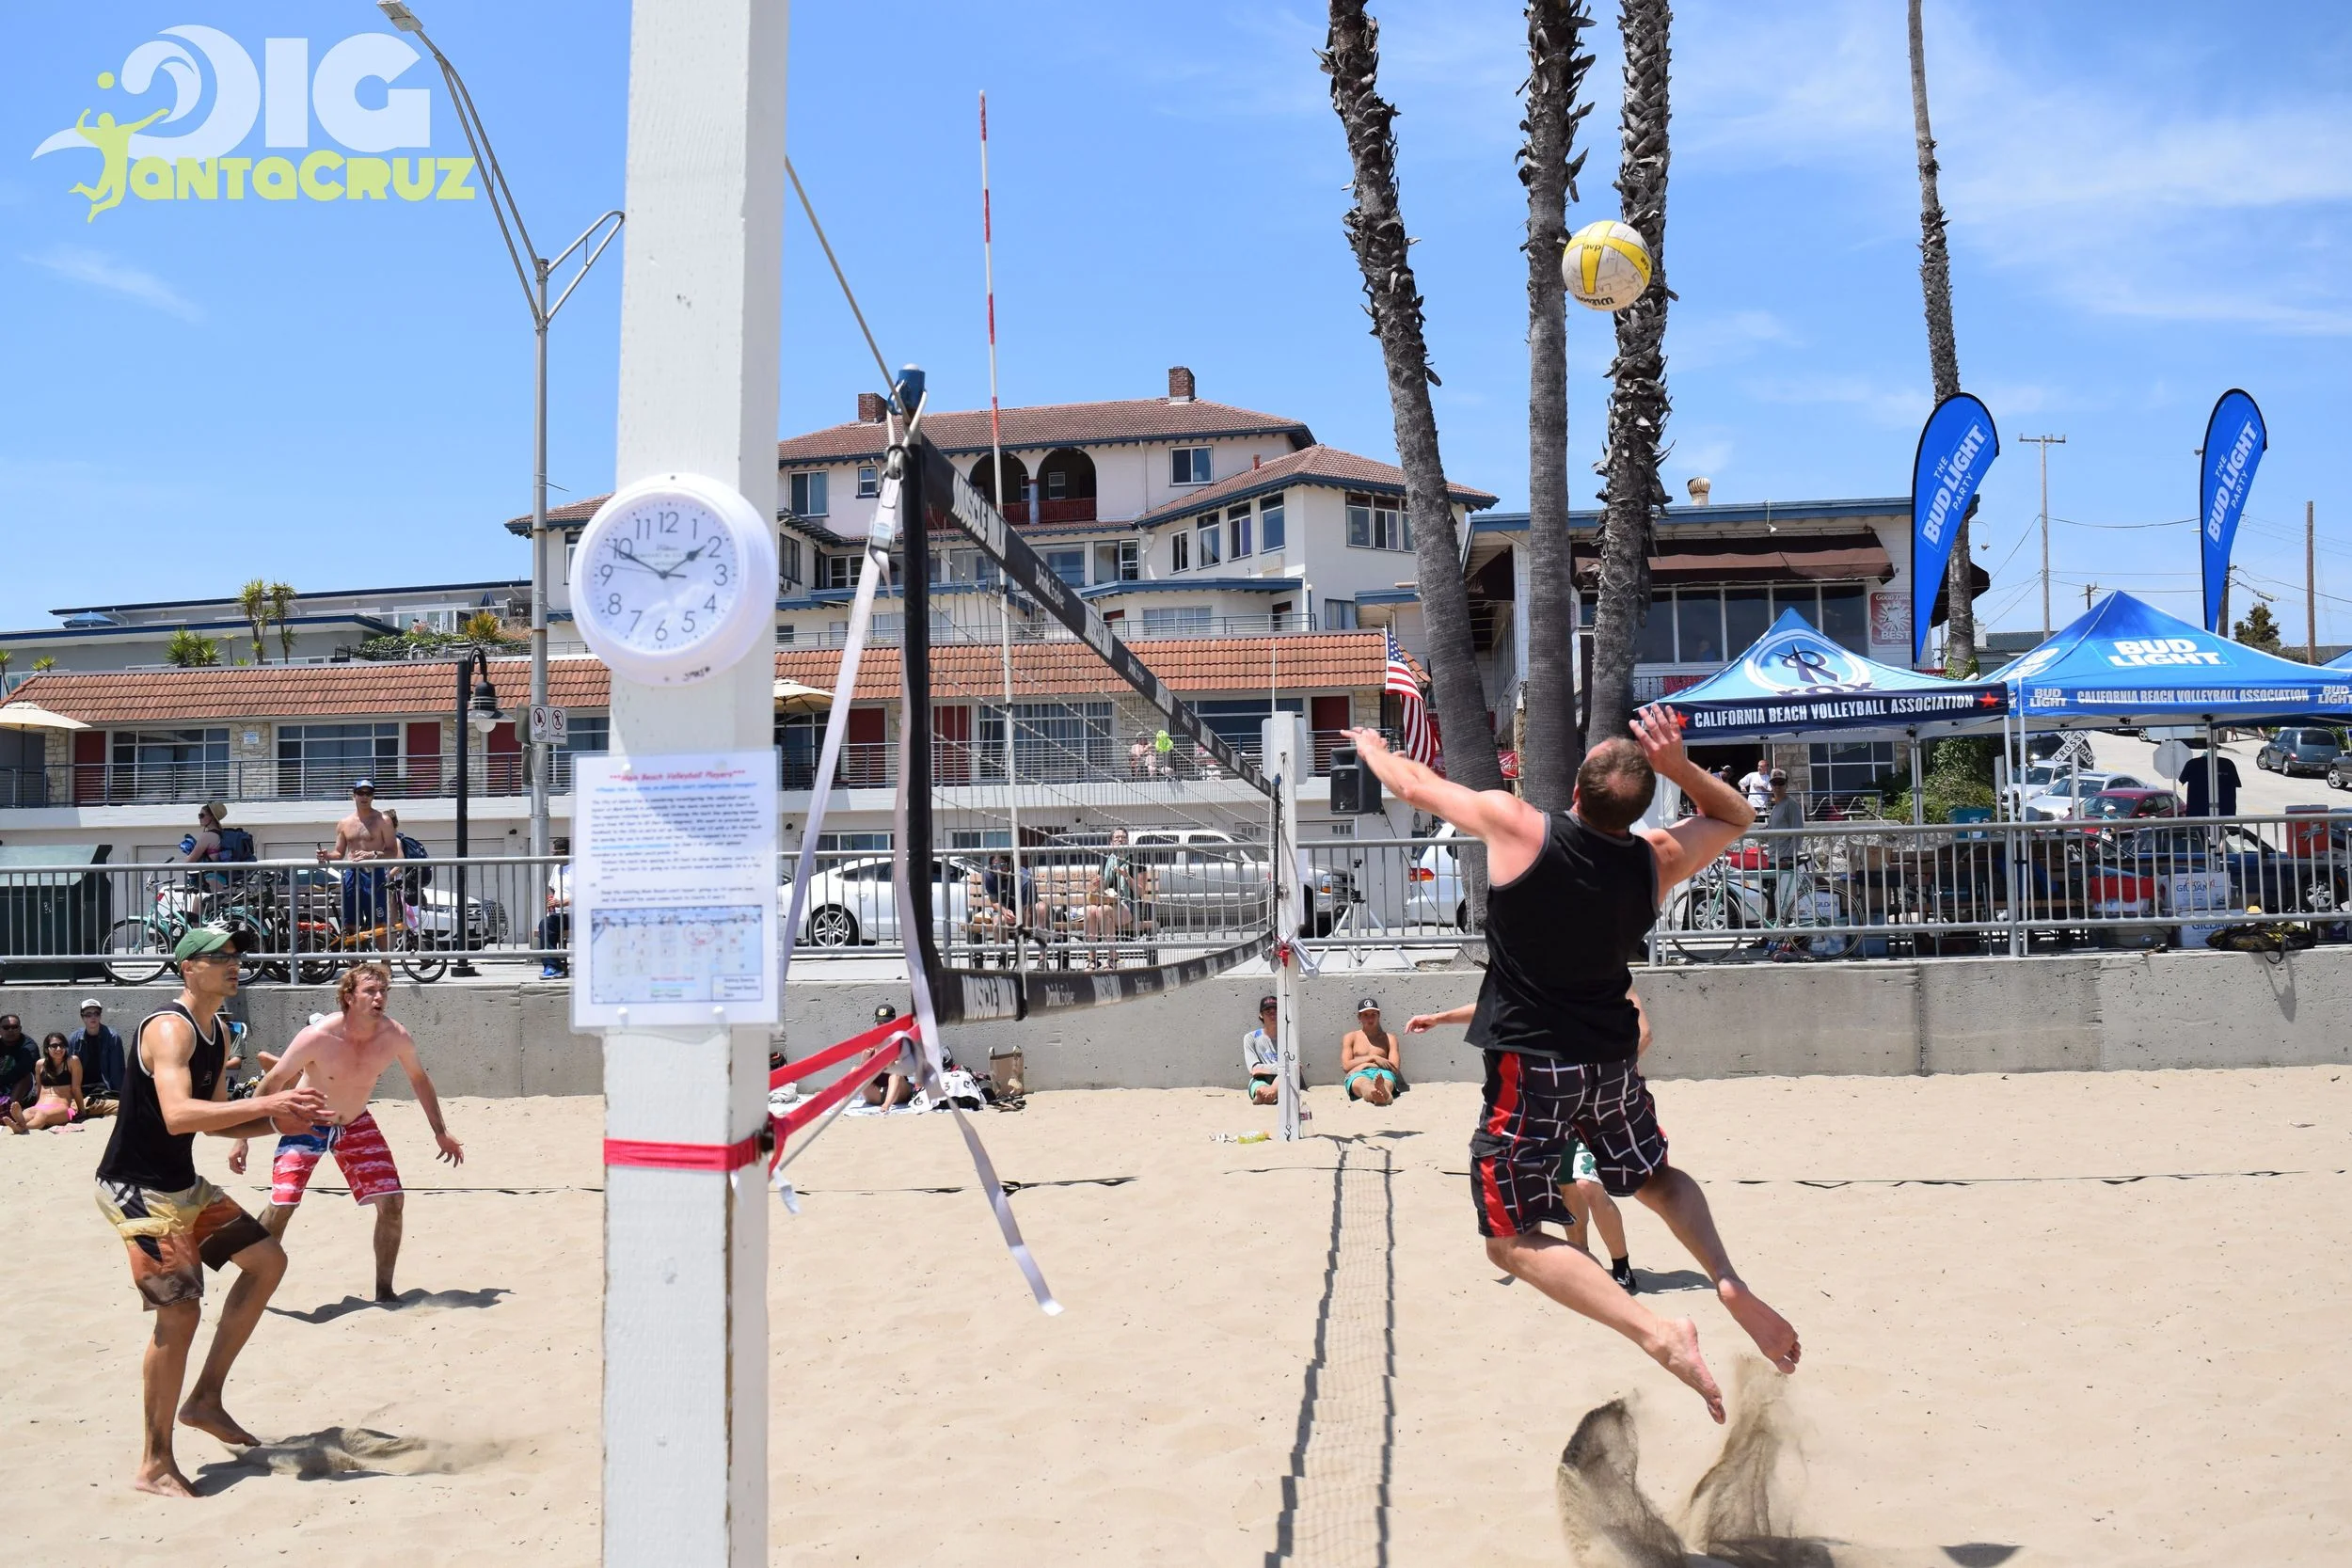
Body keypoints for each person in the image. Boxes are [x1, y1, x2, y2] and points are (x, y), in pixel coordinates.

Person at [1345, 711, 1800, 1425]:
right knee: (1653, 1175)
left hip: (1536, 1065)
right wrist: (1680, 766)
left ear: (1580, 787)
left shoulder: (1518, 824)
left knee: (1508, 1238)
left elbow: (1413, 781)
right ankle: (1727, 1277)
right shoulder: (1656, 855)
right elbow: (1736, 815)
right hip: (1612, 1056)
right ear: (1638, 801)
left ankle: (1657, 1330)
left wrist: (1372, 747)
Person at [93, 924, 329, 1497]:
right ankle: (153, 1463)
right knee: (180, 1314)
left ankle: (204, 1400)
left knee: (267, 1261)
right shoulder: (169, 1029)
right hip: (136, 1189)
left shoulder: (218, 1030)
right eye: (219, 956)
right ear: (187, 968)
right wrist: (271, 1099)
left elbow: (215, 1117)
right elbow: (177, 1114)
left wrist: (276, 1122)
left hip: (180, 1183)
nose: (234, 963)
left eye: (237, 955)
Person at [228, 962, 463, 1304]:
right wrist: (242, 1136)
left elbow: (419, 1079)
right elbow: (273, 1081)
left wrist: (440, 1132)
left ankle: (384, 1291)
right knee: (283, 1204)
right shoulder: (318, 1036)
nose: (379, 997)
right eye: (370, 991)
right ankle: (251, 1278)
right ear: (349, 997)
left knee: (393, 1201)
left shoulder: (394, 1035)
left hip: (355, 1123)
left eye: (384, 991)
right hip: (306, 1122)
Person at [1408, 992, 1649, 1295]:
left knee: (1589, 1187)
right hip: (1545, 1118)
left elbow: (1644, 1034)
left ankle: (1621, 1266)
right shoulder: (1545, 981)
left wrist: (1605, 1075)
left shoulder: (1610, 983)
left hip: (1588, 1112)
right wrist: (1440, 1019)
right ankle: (1583, 1263)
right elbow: (1497, 1007)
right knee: (1567, 1191)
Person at [320, 779, 400, 942]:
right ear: (353, 796)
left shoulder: (383, 820)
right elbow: (339, 853)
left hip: (374, 874)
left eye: (368, 793)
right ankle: (354, 964)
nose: (364, 797)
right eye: (360, 793)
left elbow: (392, 851)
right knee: (350, 923)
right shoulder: (344, 823)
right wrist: (326, 856)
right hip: (351, 874)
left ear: (373, 796)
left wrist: (373, 854)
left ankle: (385, 965)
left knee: (379, 923)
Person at [1762, 769, 1805, 945]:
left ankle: (1785, 938)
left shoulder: (1790, 805)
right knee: (1771, 898)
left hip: (1783, 859)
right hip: (1773, 857)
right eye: (1774, 783)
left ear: (1786, 785)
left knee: (1783, 900)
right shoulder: (1777, 807)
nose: (1777, 787)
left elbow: (1798, 833)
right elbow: (1773, 830)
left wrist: (1789, 856)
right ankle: (1768, 937)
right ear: (1770, 785)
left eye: (1781, 783)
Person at [1083, 829, 1138, 966]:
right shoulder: (1106, 861)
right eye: (1117, 838)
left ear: (1128, 841)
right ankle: (1092, 959)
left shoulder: (1135, 860)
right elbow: (1104, 890)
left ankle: (1113, 958)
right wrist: (1098, 884)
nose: (1120, 840)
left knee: (1103, 910)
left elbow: (1140, 892)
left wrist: (1126, 876)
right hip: (1109, 902)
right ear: (1111, 842)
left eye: (1123, 837)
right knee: (1090, 910)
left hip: (1129, 905)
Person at [1340, 998, 1403, 1106]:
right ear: (1359, 1017)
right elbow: (1346, 1066)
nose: (1370, 1018)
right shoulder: (1351, 1037)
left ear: (1379, 1015)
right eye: (1365, 1015)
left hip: (1382, 1073)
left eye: (1373, 1014)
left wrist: (1361, 1064)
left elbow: (1395, 1068)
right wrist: (1372, 1059)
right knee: (1364, 1084)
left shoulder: (1389, 1038)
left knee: (1386, 1082)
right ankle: (1378, 1095)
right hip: (1358, 1074)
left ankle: (1383, 1093)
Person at [70, 999, 125, 1101]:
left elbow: (117, 1070)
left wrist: (119, 1096)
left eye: (96, 1013)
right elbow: (70, 1070)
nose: (93, 1017)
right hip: (82, 1089)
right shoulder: (74, 1038)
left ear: (100, 1016)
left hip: (105, 1089)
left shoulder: (113, 1037)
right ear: (82, 1017)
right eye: (88, 1014)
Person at [540, 840, 572, 980]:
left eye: (555, 853)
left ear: (565, 852)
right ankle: (553, 967)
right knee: (545, 924)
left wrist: (562, 902)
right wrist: (552, 900)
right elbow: (552, 887)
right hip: (559, 914)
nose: (552, 856)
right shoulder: (556, 868)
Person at [1242, 994, 1281, 1105]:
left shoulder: (1288, 1037)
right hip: (1261, 1078)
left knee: (1285, 1076)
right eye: (1268, 1012)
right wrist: (1282, 1067)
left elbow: (1294, 1068)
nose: (1273, 1015)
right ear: (1261, 1015)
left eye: (1276, 1011)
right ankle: (1265, 1092)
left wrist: (1265, 1069)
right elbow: (1254, 1069)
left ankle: (1270, 1093)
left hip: (1282, 1078)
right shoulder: (1251, 1038)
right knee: (1256, 1085)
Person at [2183, 748, 2241, 818]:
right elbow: (2236, 783)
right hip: (2222, 813)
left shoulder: (2192, 764)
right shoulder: (2228, 763)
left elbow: (2182, 780)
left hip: (2199, 813)